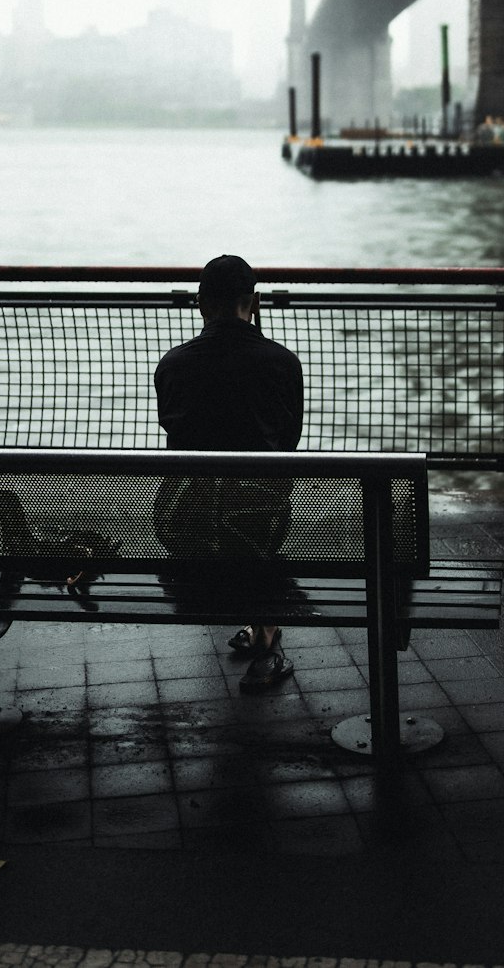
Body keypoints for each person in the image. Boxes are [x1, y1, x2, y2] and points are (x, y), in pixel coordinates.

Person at [153, 254, 303, 691]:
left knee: (216, 502)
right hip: (259, 530)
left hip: (180, 525)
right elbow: (288, 441)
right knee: (257, 501)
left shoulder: (173, 364)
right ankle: (267, 633)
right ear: (253, 303)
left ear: (201, 305)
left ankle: (258, 625)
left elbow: (173, 429)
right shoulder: (283, 363)